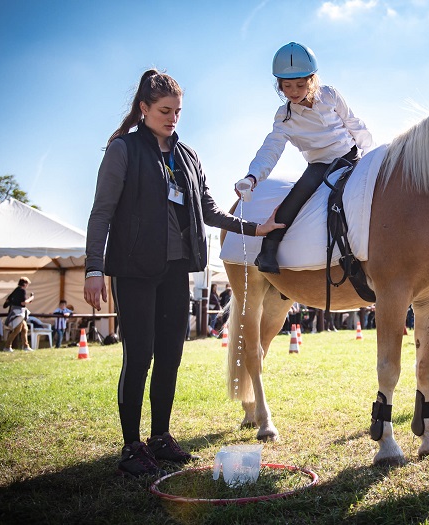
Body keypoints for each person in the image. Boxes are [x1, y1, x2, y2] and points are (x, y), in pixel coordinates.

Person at [84, 69, 284, 478]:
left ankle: (160, 437)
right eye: (164, 110)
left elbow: (209, 210)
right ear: (143, 109)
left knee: (171, 358)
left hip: (177, 271)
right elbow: (101, 212)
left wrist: (254, 226)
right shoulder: (123, 150)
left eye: (177, 111)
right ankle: (131, 446)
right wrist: (93, 268)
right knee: (138, 356)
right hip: (135, 270)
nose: (172, 118)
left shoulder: (189, 156)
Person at [235, 42, 375, 274]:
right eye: (286, 86)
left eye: (300, 84)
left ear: (312, 80)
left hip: (350, 158)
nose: (293, 91)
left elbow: (354, 123)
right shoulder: (284, 116)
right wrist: (252, 178)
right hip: (319, 166)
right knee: (296, 197)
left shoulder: (330, 95)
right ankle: (268, 250)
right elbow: (270, 149)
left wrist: (370, 157)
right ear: (279, 86)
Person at [2, 277, 34, 352]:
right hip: (18, 313)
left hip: (15, 311)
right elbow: (23, 303)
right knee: (17, 330)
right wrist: (31, 298)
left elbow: (8, 300)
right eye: (27, 284)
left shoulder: (16, 290)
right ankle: (7, 346)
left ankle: (26, 346)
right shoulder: (22, 290)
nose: (27, 286)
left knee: (24, 329)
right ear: (25, 284)